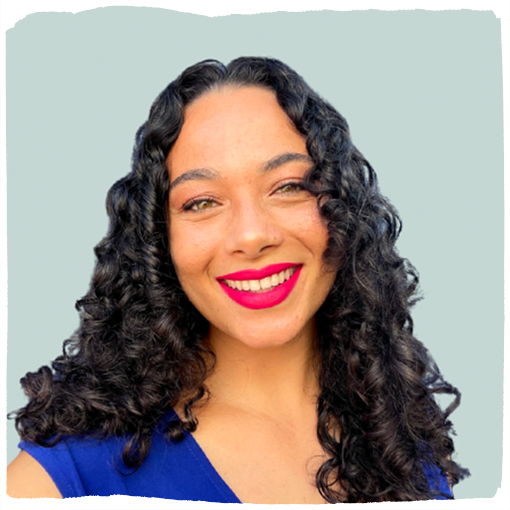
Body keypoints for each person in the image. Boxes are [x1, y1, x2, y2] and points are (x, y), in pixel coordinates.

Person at [7, 57, 468, 504]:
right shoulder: (64, 480)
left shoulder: (402, 425)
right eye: (202, 202)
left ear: (343, 210)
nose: (251, 236)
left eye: (289, 187)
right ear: (158, 239)